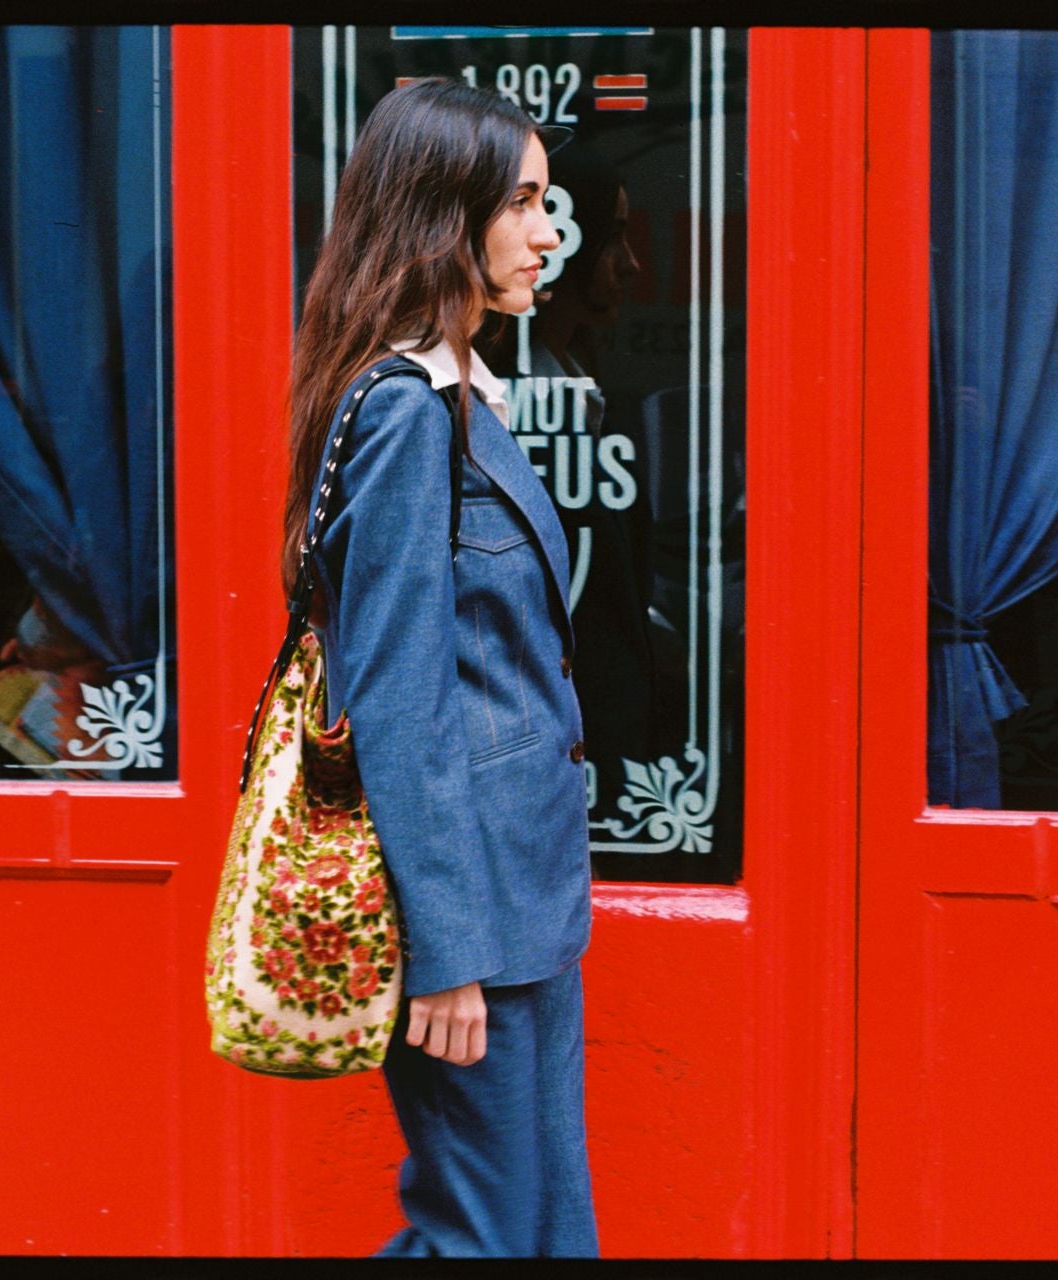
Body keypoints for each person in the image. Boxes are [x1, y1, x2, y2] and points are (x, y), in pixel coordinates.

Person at [284, 78, 598, 1258]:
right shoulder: (412, 412)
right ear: (439, 216)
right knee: (482, 1233)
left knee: (542, 1229)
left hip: (522, 893)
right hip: (474, 910)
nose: (546, 230)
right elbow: (401, 697)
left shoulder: (464, 399)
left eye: (546, 199)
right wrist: (447, 951)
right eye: (518, 201)